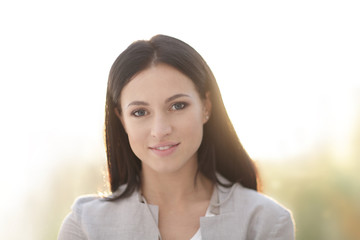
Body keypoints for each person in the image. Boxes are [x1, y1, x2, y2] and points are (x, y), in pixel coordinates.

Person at [58, 34, 294, 240]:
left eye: (177, 106)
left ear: (206, 106)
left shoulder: (265, 222)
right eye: (140, 112)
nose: (160, 130)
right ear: (122, 120)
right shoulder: (85, 226)